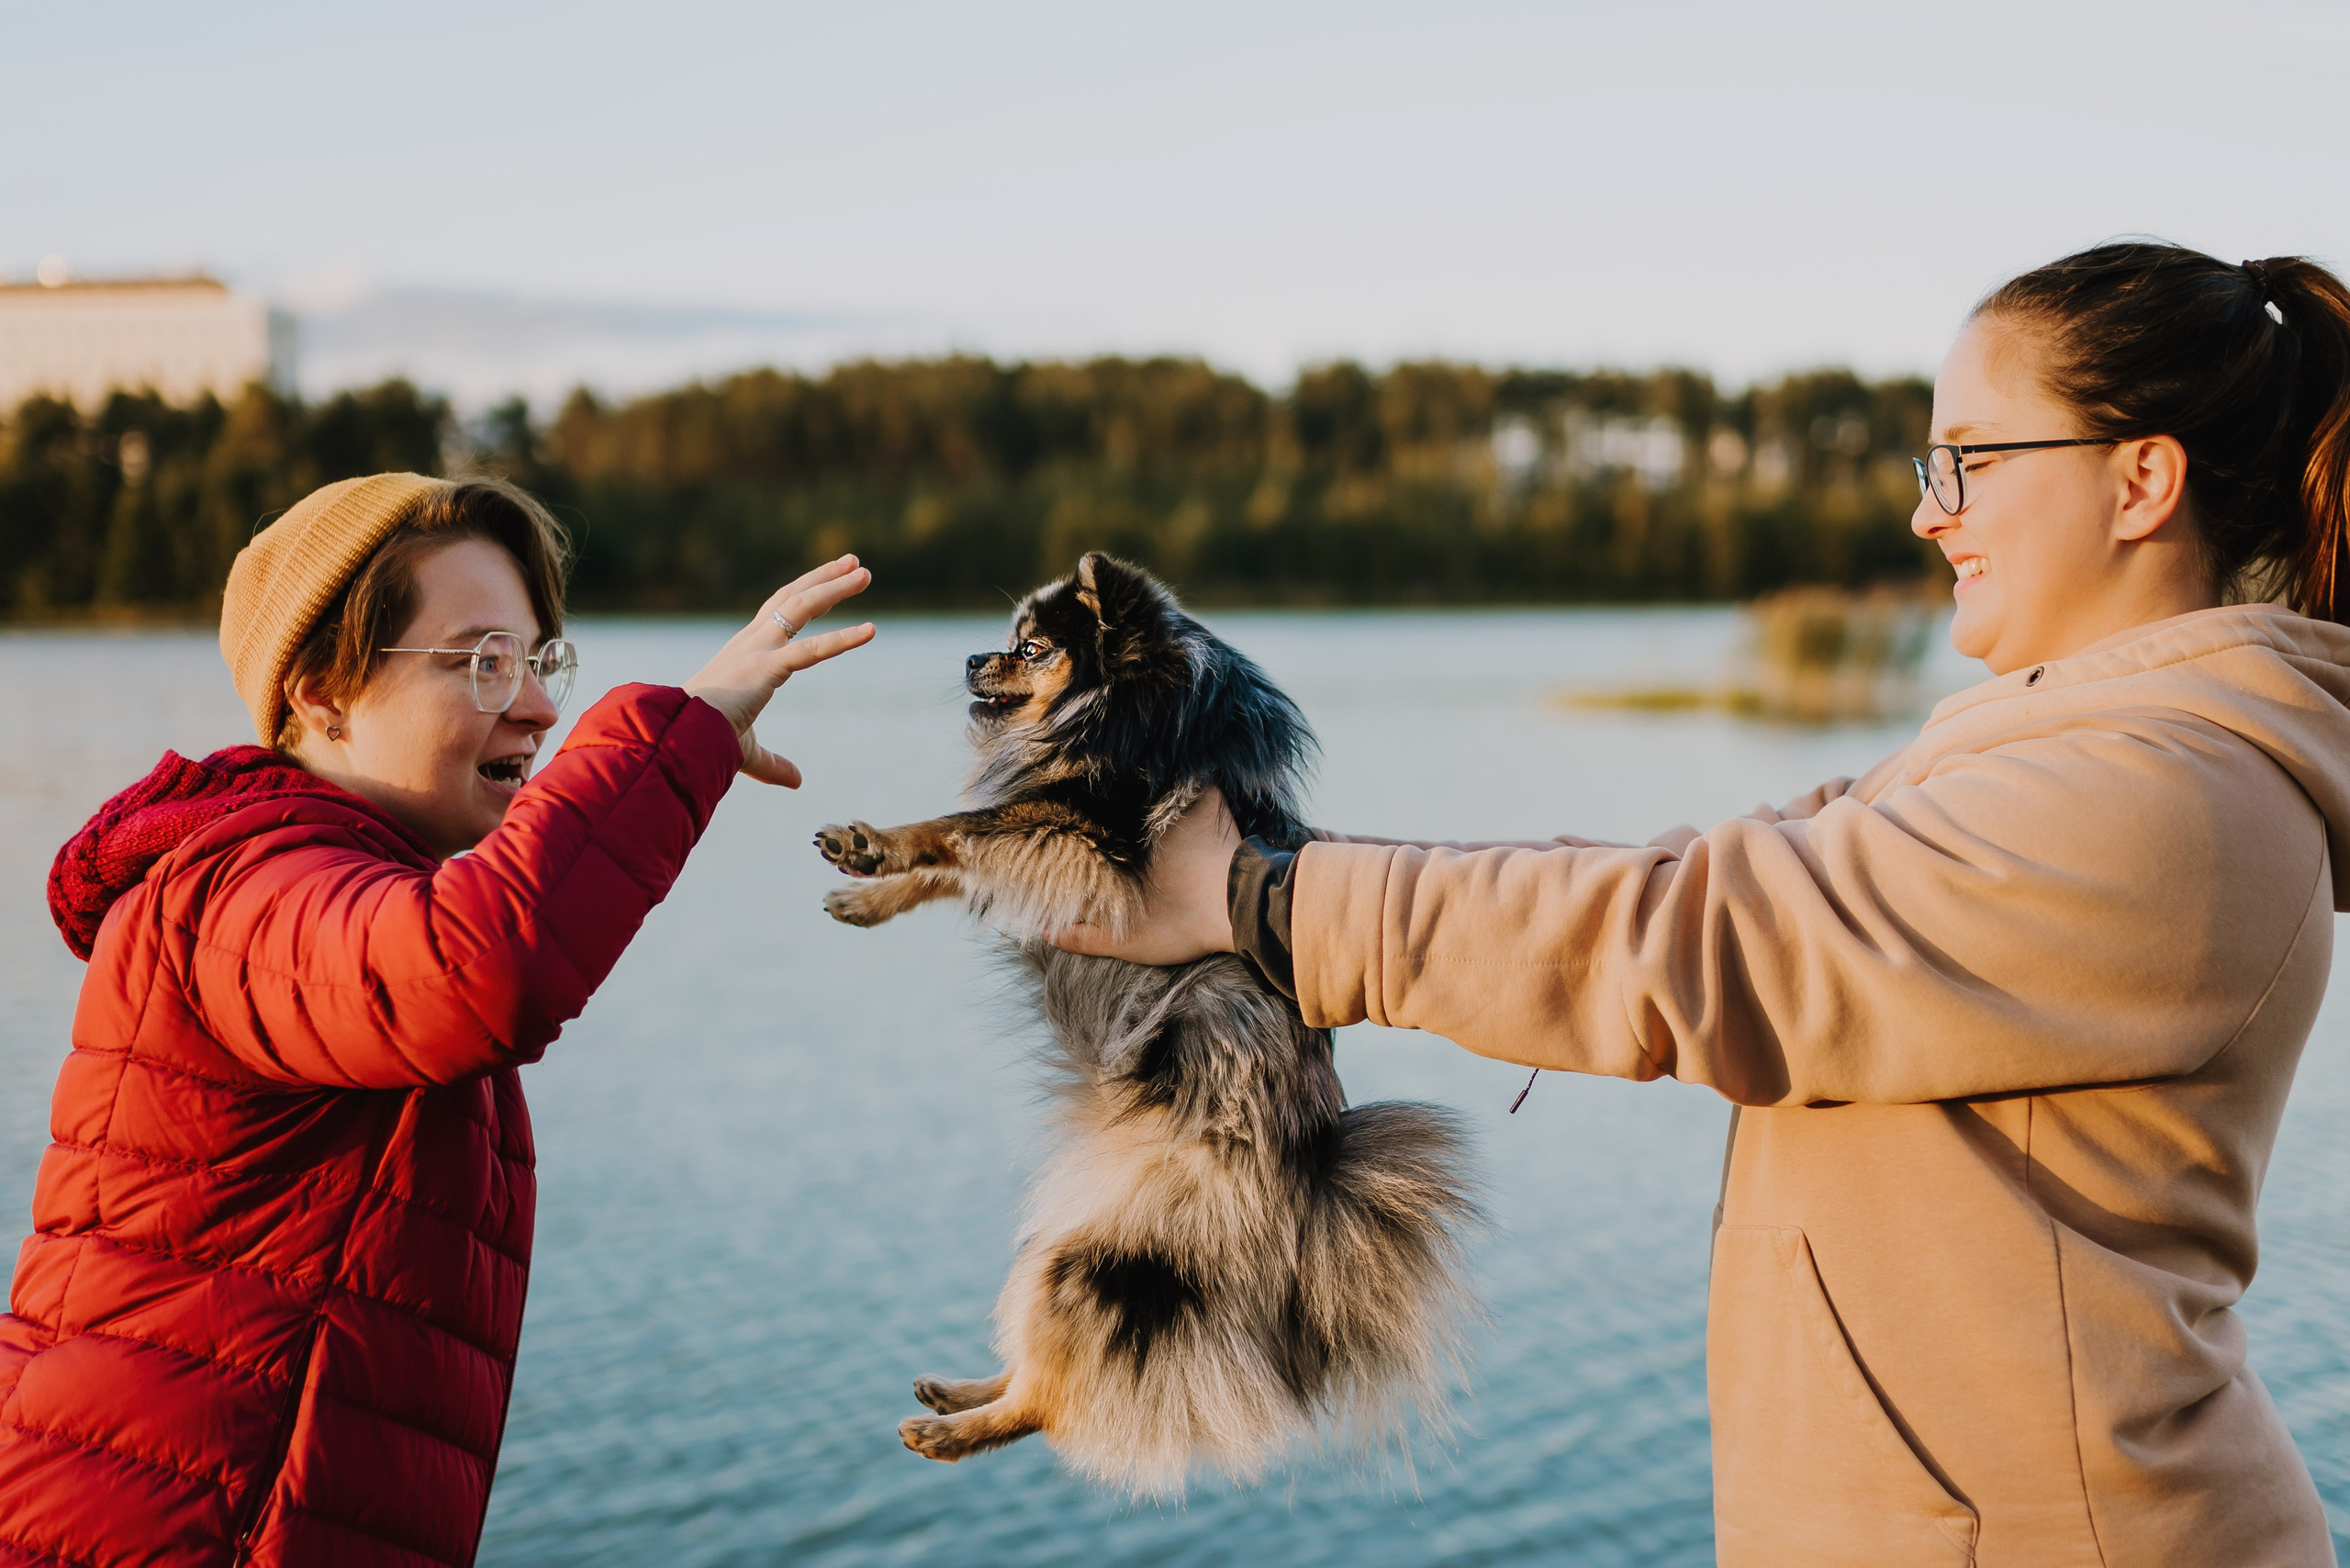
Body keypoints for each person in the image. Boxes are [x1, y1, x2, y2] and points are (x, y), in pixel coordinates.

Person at [1061, 242, 2350, 1566]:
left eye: (1970, 457)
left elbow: (1698, 943)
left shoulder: (2168, 798)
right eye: (1929, 466)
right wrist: (1271, 865)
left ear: (2142, 478)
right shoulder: (2050, 757)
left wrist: (1260, 903)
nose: (1930, 511)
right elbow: (1680, 883)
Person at [0, 473, 873, 1567]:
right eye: (481, 661)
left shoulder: (334, 883)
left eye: (540, 660)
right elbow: (478, 967)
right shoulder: (240, 891)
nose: (540, 707)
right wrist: (677, 735)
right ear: (322, 694)